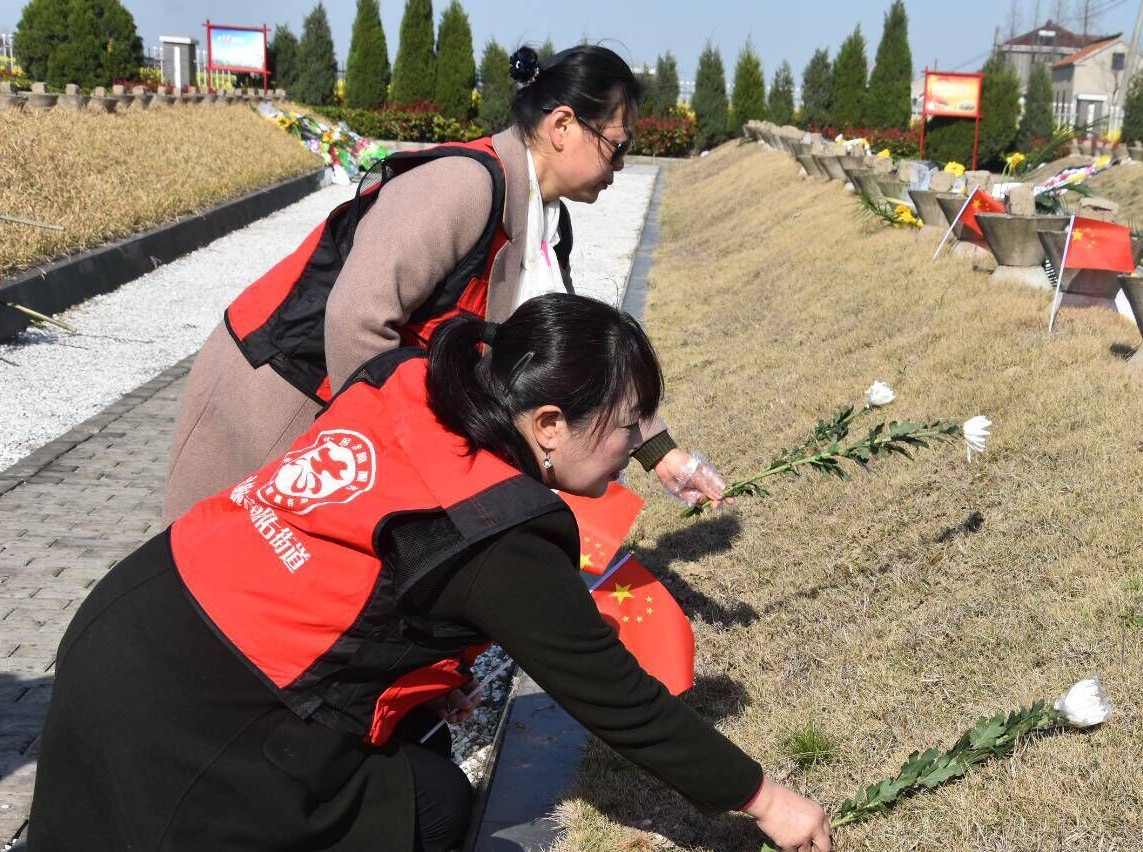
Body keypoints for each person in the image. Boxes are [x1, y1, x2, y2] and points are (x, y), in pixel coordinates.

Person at [23, 293, 831, 852]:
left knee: (433, 799)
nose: (632, 449)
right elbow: (619, 698)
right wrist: (765, 800)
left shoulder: (424, 380)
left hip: (146, 607)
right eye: (626, 427)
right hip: (199, 702)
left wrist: (418, 674)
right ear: (549, 425)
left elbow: (365, 556)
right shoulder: (499, 534)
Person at [161, 43, 725, 522]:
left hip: (352, 412)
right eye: (617, 147)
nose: (621, 166)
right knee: (226, 583)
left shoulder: (547, 219)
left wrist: (660, 452)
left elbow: (569, 358)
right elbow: (356, 319)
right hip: (287, 401)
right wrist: (414, 457)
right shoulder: (464, 185)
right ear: (562, 127)